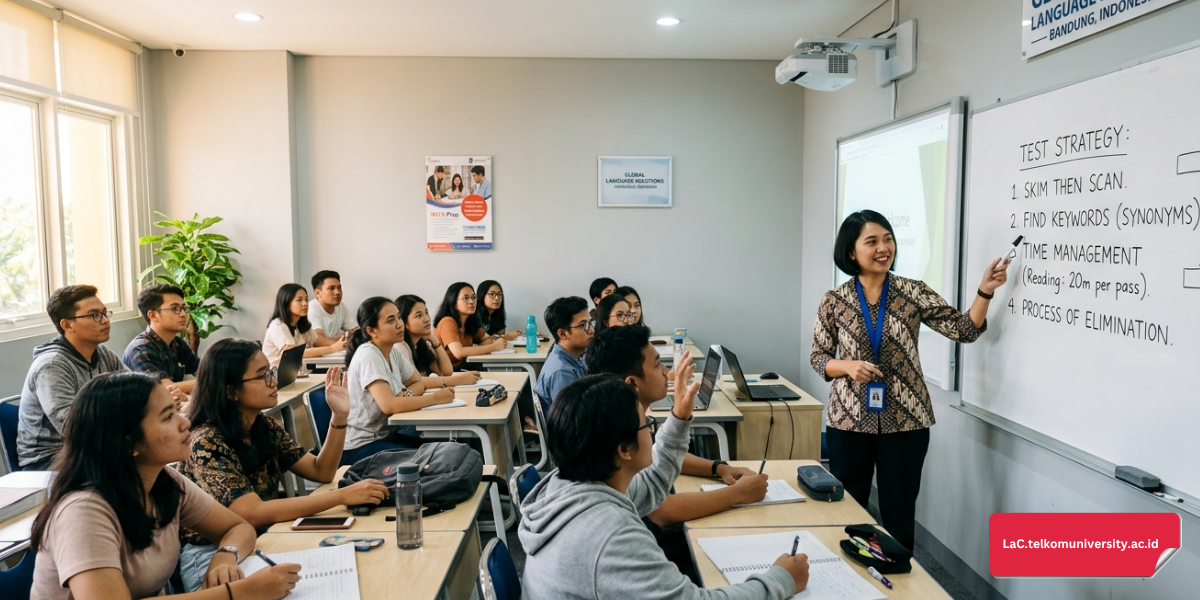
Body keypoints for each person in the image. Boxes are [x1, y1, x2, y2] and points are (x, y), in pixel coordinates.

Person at [811, 209, 1009, 550]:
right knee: (847, 511)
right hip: (849, 421)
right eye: (871, 241)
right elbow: (819, 357)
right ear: (850, 252)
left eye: (888, 238)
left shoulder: (912, 292)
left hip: (906, 422)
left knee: (899, 514)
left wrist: (984, 291)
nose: (883, 247)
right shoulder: (834, 300)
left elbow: (963, 330)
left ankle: (899, 581)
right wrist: (847, 366)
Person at [518, 370, 809, 600]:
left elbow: (654, 483)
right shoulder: (611, 535)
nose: (651, 431)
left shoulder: (570, 485)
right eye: (647, 424)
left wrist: (679, 418)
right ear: (624, 449)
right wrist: (781, 579)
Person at [30, 372, 301, 600]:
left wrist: (225, 555)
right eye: (168, 416)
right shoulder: (84, 512)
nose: (185, 423)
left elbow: (237, 526)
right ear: (128, 442)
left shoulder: (163, 480)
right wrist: (239, 592)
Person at [176, 339, 389, 591]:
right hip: (214, 554)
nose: (274, 381)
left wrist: (339, 417)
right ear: (231, 390)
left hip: (261, 537)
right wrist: (341, 496)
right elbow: (251, 512)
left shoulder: (261, 425)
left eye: (271, 372)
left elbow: (321, 471)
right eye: (263, 376)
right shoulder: (206, 442)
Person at [586, 325, 766, 581]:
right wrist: (738, 493)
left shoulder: (623, 416)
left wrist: (718, 467)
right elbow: (662, 510)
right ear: (632, 383)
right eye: (658, 364)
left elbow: (658, 457)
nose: (666, 373)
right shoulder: (616, 432)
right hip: (654, 542)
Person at [17, 284, 127, 471]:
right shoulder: (51, 365)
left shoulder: (103, 353)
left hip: (93, 448)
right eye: (95, 315)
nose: (105, 320)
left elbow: (136, 390)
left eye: (105, 313)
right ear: (67, 325)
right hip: (50, 459)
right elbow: (71, 427)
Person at [343, 297, 457, 465]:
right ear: (372, 331)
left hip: (386, 436)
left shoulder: (391, 350)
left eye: (398, 317)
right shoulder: (369, 355)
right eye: (391, 320)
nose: (399, 324)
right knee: (438, 460)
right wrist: (436, 398)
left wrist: (405, 395)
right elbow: (389, 405)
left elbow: (418, 382)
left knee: (449, 450)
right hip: (361, 446)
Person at [123, 283, 199, 404]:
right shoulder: (140, 350)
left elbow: (202, 371)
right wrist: (212, 381)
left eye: (184, 308)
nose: (184, 314)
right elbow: (166, 390)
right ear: (153, 315)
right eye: (175, 309)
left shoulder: (177, 343)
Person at [395, 294, 482, 389]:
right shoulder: (399, 346)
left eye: (426, 313)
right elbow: (415, 381)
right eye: (419, 315)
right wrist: (460, 379)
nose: (427, 319)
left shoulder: (424, 344)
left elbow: (446, 372)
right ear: (404, 322)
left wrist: (435, 341)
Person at [262, 283, 345, 368]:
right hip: (276, 377)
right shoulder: (278, 326)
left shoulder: (301, 325)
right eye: (299, 300)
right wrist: (332, 348)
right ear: (286, 303)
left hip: (300, 374)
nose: (305, 304)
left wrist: (342, 342)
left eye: (306, 300)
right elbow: (293, 354)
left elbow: (319, 342)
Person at [533, 296, 591, 413]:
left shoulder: (575, 355)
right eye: (583, 325)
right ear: (563, 334)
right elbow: (572, 422)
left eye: (591, 323)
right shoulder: (562, 373)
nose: (591, 330)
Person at [433, 282, 507, 369]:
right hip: (444, 373)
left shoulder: (469, 322)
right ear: (453, 302)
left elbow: (488, 339)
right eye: (465, 298)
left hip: (462, 366)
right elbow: (459, 353)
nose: (471, 301)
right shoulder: (448, 321)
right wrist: (493, 347)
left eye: (474, 297)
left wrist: (479, 348)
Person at [308, 270, 357, 347]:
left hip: (335, 354)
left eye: (339, 288)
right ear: (317, 293)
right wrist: (343, 337)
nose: (337, 292)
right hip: (317, 357)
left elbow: (355, 333)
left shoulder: (341, 306)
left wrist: (341, 337)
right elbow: (317, 341)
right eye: (331, 288)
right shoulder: (312, 308)